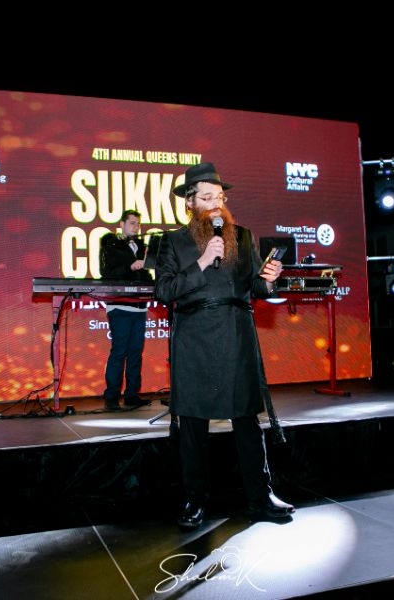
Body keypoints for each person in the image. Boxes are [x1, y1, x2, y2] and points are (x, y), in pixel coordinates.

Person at [154, 162, 295, 528]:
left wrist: (269, 280)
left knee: (246, 419)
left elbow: (255, 287)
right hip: (194, 337)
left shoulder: (243, 237)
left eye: (219, 197)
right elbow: (164, 291)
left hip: (236, 332)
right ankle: (195, 500)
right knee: (193, 424)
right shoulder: (172, 241)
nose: (216, 204)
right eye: (206, 198)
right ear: (189, 202)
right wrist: (202, 262)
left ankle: (261, 497)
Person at [99, 209, 155, 411]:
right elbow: (107, 273)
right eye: (132, 223)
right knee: (119, 351)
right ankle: (112, 397)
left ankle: (131, 394)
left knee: (135, 352)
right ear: (121, 224)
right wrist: (130, 267)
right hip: (120, 305)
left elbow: (144, 274)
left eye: (138, 224)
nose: (136, 227)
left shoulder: (141, 246)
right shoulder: (111, 244)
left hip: (139, 307)